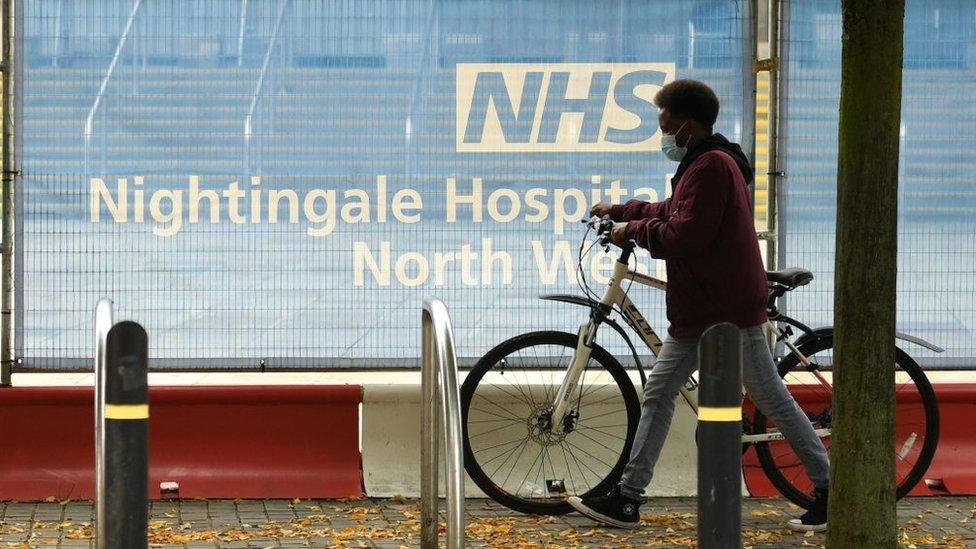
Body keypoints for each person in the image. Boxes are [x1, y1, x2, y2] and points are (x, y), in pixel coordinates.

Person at [567, 79, 830, 532]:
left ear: (686, 123)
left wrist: (632, 233)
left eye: (664, 118)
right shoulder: (702, 163)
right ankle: (628, 497)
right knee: (661, 392)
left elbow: (685, 234)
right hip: (702, 308)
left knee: (771, 399)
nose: (660, 128)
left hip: (723, 311)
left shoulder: (711, 166)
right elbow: (672, 209)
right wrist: (624, 210)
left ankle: (830, 489)